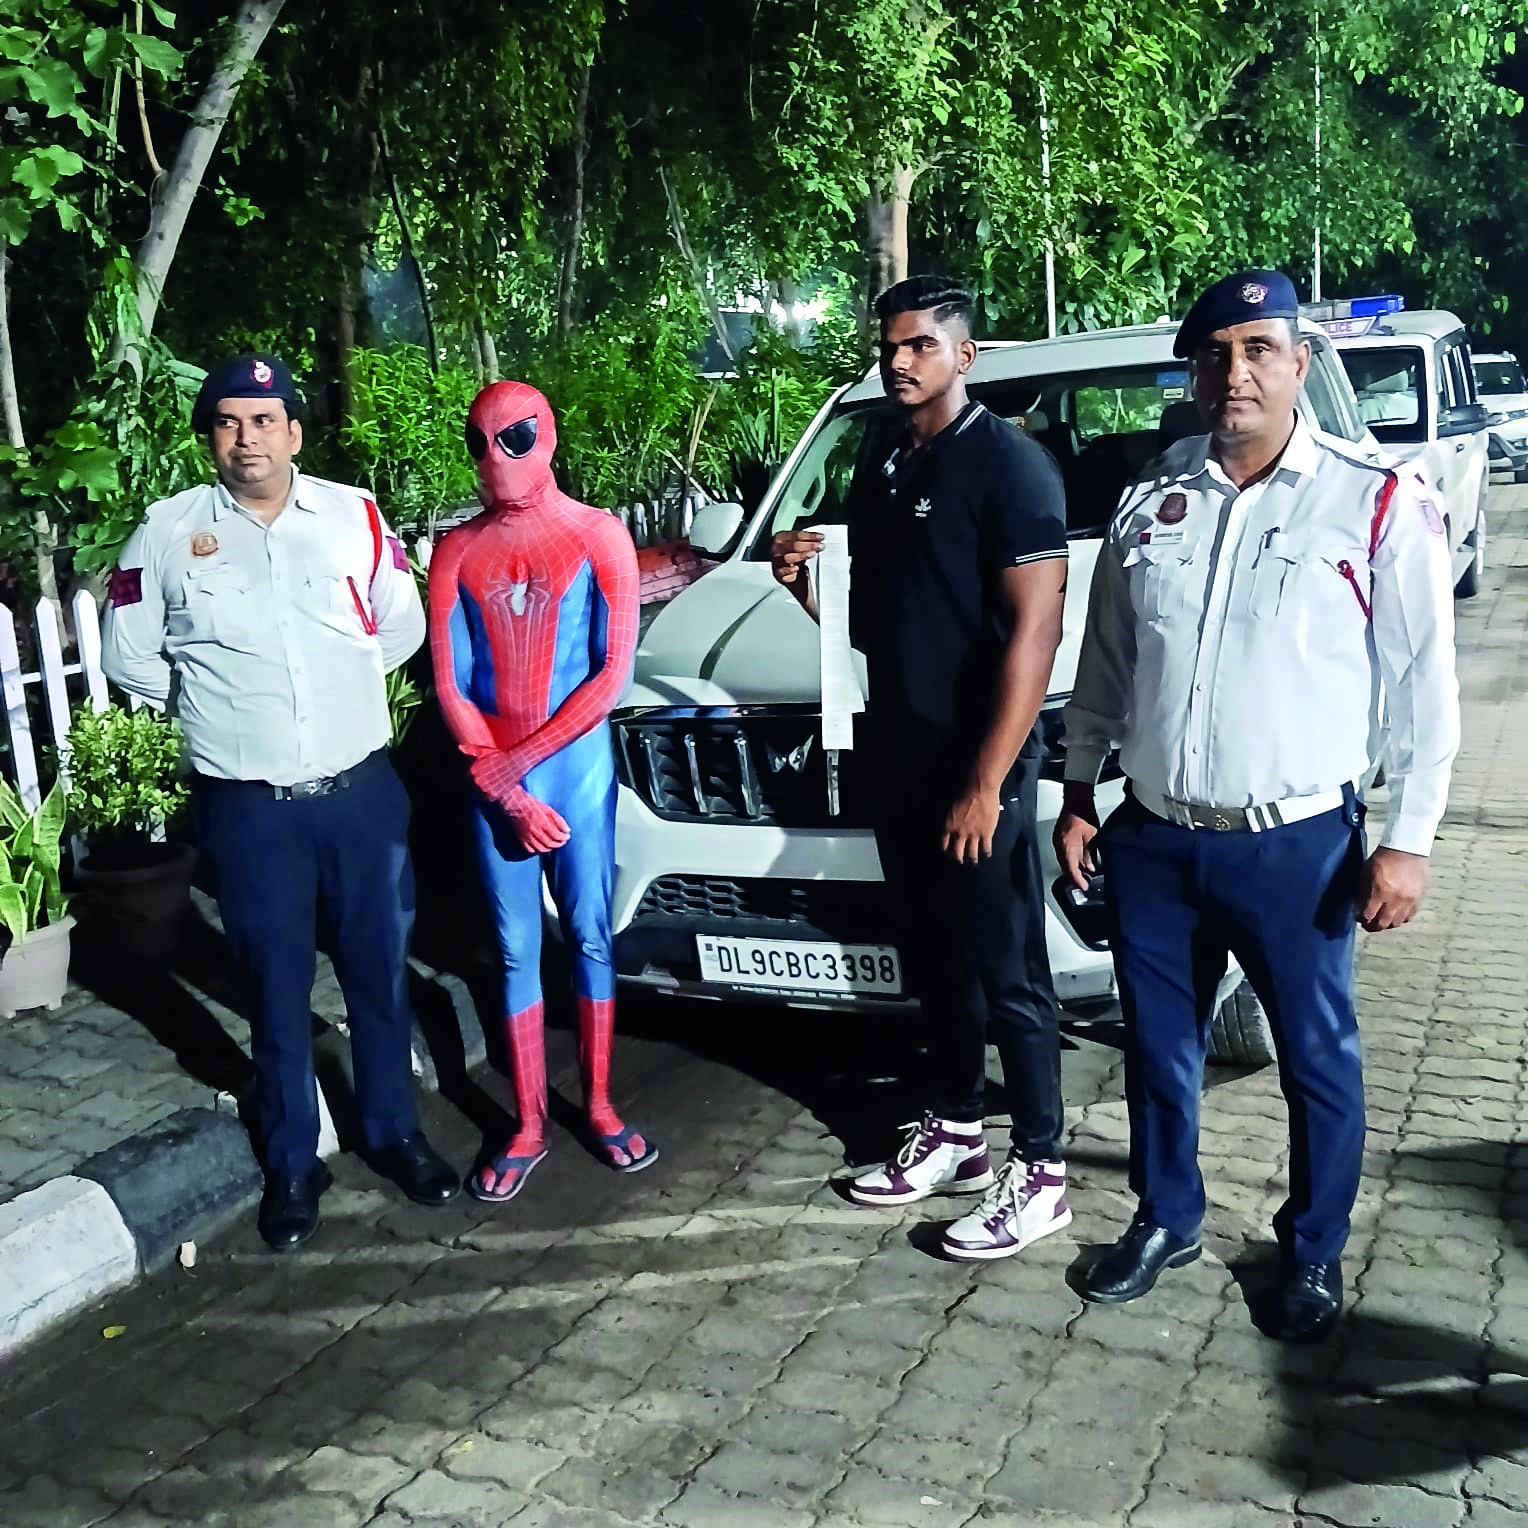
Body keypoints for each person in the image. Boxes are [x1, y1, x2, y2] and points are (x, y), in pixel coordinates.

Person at [1055, 271, 1460, 1341]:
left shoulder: (1374, 497)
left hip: (1295, 843)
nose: (1234, 373)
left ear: (1301, 364)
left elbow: (1423, 686)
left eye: (1259, 350)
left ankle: (1313, 1246)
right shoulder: (1153, 497)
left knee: (1315, 1055)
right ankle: (1165, 1214)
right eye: (1214, 354)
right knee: (1156, 1043)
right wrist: (1079, 787)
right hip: (1151, 836)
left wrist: (1407, 841)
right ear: (1191, 371)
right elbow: (1106, 660)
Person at [101, 354, 459, 1251]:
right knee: (274, 987)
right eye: (228, 421)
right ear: (208, 437)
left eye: (264, 419)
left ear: (295, 431)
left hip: (359, 796)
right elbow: (130, 657)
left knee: (380, 972)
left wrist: (328, 697)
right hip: (250, 810)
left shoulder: (354, 517)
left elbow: (399, 627)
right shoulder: (166, 533)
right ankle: (294, 1162)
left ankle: (394, 1132)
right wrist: (226, 713)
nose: (247, 437)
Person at [771, 275, 1071, 1261]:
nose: (898, 362)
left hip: (976, 759)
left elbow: (1034, 633)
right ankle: (956, 1130)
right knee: (934, 954)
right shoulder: (880, 462)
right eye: (889, 346)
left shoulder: (1009, 466)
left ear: (963, 355)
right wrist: (805, 589)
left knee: (1007, 967)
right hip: (899, 752)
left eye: (919, 346)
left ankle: (1042, 1170)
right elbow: (877, 626)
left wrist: (986, 781)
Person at [427, 380, 656, 1204]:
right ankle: (527, 1121)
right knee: (517, 949)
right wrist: (500, 780)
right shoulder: (456, 550)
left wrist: (504, 772)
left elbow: (609, 676)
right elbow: (451, 680)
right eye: (481, 441)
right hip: (500, 778)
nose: (496, 460)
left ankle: (595, 1102)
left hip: (568, 773)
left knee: (591, 935)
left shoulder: (600, 535)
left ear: (547, 436)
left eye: (514, 438)